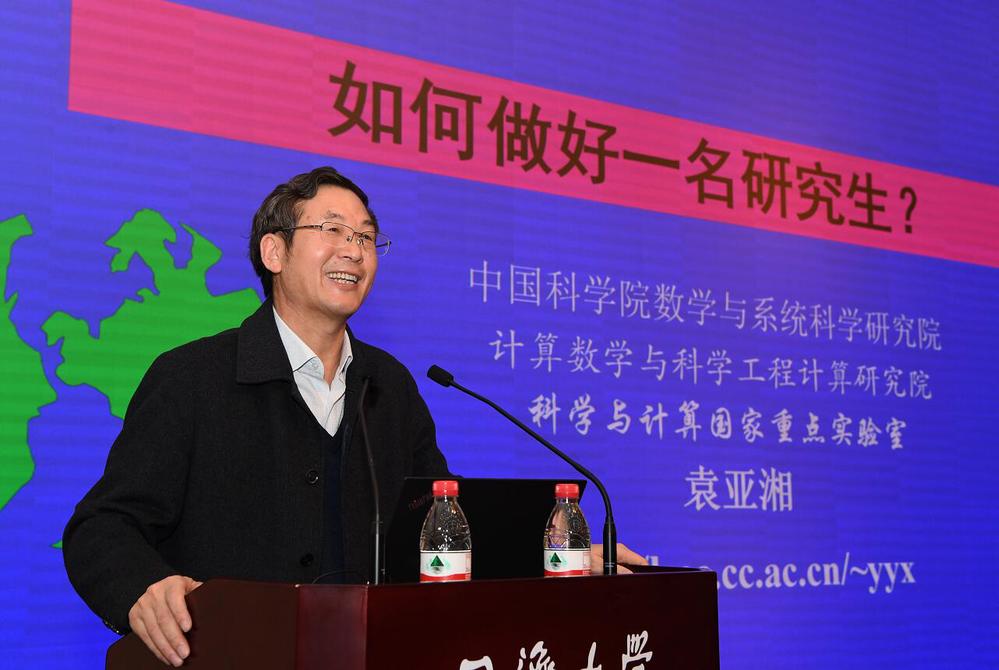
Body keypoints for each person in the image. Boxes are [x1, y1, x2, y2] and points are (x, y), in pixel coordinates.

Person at [64, 167, 645, 667]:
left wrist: (554, 554)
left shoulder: (389, 385)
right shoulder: (193, 378)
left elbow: (441, 526)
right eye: (333, 230)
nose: (354, 250)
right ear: (274, 252)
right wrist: (144, 587)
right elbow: (102, 526)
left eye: (366, 237)